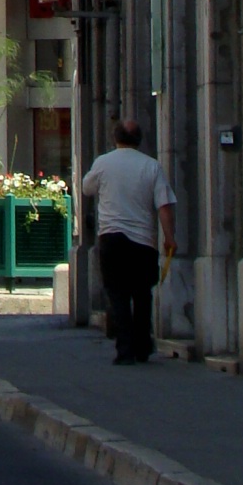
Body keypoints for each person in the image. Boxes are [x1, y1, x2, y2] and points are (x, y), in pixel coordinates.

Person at [81, 119, 177, 364]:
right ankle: (143, 344)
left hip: (111, 238)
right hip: (143, 241)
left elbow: (87, 189)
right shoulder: (151, 166)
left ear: (116, 138)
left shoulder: (103, 163)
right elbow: (164, 206)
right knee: (142, 294)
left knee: (118, 294)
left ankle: (124, 349)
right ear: (140, 140)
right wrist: (169, 238)